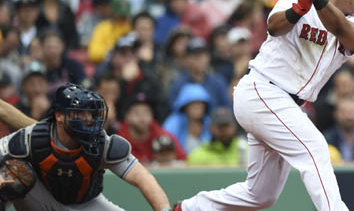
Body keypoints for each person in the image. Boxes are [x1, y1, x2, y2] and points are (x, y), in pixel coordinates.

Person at [175, 0, 354, 211]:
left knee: (260, 195)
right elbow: (274, 27)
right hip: (263, 90)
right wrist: (298, 8)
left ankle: (187, 209)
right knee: (315, 148)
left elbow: (339, 28)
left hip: (284, 104)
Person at [0, 83, 173, 210]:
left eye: (90, 112)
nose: (87, 118)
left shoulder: (101, 142)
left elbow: (143, 178)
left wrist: (165, 210)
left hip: (87, 204)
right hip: (42, 201)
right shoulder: (32, 137)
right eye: (79, 112)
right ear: (59, 115)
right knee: (14, 171)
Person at [116, 92, 186, 164]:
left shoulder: (164, 137)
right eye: (136, 113)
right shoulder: (119, 141)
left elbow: (183, 160)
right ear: (127, 117)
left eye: (146, 112)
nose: (142, 117)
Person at [163, 83, 212, 154]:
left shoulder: (210, 123)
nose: (197, 107)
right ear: (184, 106)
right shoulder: (173, 123)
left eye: (200, 103)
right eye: (193, 104)